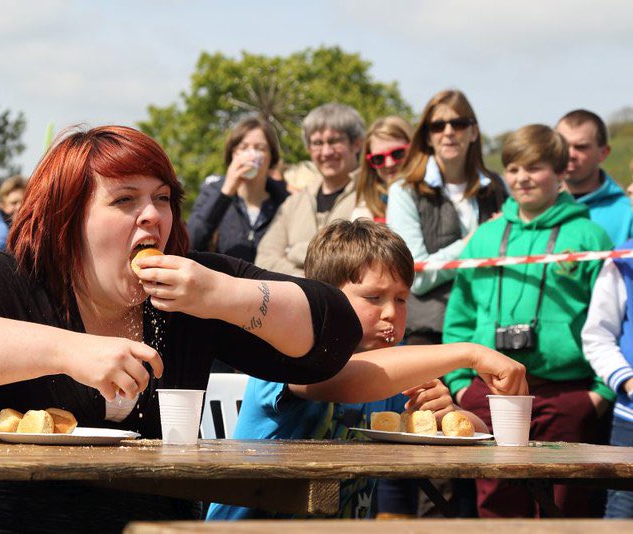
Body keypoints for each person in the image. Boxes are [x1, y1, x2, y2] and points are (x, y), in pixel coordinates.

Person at [0, 125, 362, 533]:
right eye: (125, 200)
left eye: (162, 198)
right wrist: (68, 350)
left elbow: (331, 336)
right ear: (67, 219)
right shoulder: (15, 278)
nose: (152, 216)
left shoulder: (193, 289)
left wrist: (225, 297)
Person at [208, 219, 527, 521]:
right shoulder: (284, 350)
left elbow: (480, 433)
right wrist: (469, 353)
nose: (391, 312)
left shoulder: (396, 366)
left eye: (401, 299)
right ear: (324, 298)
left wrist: (447, 414)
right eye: (374, 297)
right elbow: (347, 380)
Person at [443, 124, 615, 518]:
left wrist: (597, 397)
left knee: (564, 511)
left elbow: (613, 322)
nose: (522, 178)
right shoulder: (485, 238)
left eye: (534, 168)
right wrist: (459, 386)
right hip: (490, 394)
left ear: (559, 172)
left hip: (565, 396)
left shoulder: (590, 236)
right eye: (514, 168)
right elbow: (461, 316)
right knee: (496, 508)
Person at [387, 90, 507, 347]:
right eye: (438, 125)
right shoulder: (404, 191)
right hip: (429, 332)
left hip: (493, 326)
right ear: (428, 137)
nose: (449, 132)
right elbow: (414, 277)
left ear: (474, 132)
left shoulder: (498, 187)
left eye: (459, 123)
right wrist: (474, 242)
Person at [255, 103, 364, 276]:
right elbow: (264, 260)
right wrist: (308, 281)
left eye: (335, 141)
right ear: (308, 149)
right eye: (317, 143)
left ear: (356, 144)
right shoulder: (294, 203)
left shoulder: (370, 195)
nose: (326, 152)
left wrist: (295, 252)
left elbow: (361, 261)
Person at [188, 115, 289, 263]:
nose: (251, 154)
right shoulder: (213, 191)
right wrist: (227, 190)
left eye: (259, 148)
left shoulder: (285, 201)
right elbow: (191, 242)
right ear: (233, 154)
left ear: (271, 157)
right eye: (243, 147)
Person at [582, 241, 633, 518]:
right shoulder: (622, 259)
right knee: (622, 515)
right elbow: (597, 336)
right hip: (631, 421)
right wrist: (628, 382)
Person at [556, 109, 633, 246]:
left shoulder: (628, 211)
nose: (570, 154)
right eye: (564, 146)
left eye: (581, 147)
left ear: (603, 153)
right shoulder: (534, 210)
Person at [352, 117, 412, 223]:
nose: (389, 164)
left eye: (398, 153)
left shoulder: (443, 192)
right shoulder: (364, 215)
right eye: (378, 159)